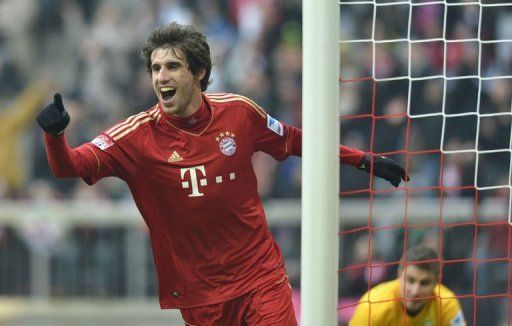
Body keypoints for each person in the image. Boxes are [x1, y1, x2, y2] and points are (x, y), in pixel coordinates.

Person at [36, 23, 408, 325]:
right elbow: (69, 166)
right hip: (202, 295)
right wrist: (55, 136)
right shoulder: (135, 136)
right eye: (155, 68)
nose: (161, 76)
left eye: (173, 66)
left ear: (198, 72)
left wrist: (362, 159)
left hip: (260, 275)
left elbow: (294, 140)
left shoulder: (239, 113)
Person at [349, 245, 466, 326]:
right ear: (399, 274)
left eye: (424, 283)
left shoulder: (446, 303)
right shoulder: (373, 305)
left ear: (436, 282)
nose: (415, 291)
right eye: (410, 280)